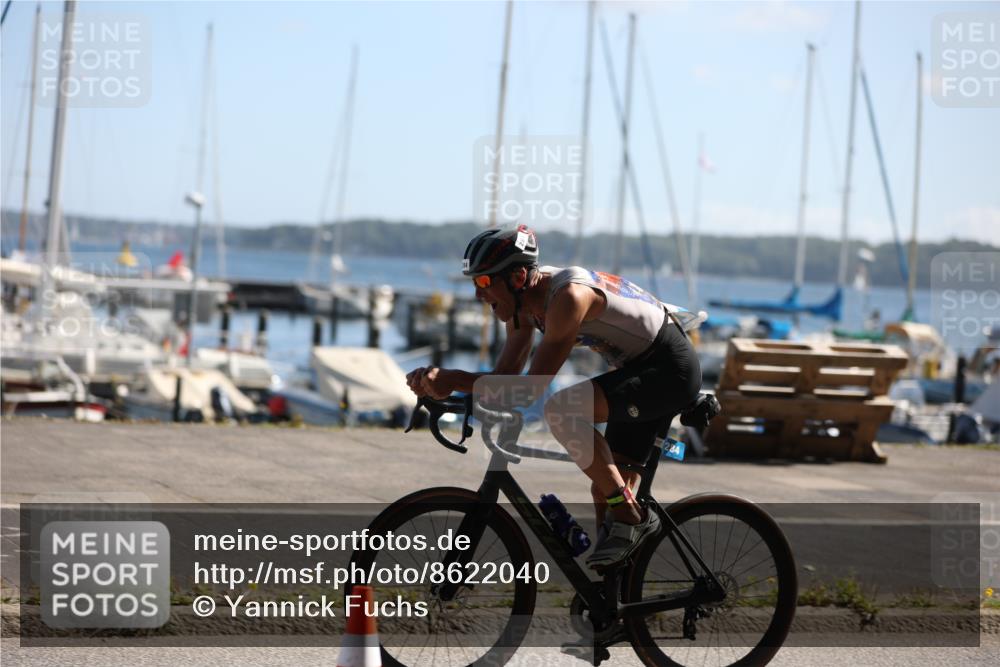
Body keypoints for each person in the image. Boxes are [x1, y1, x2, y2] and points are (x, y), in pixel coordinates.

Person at [405, 225, 702, 569]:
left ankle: (635, 518)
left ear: (518, 276)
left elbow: (531, 388)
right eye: (474, 283)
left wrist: (454, 379)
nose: (477, 294)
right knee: (605, 490)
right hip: (637, 370)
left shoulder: (568, 298)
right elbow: (505, 380)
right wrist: (445, 388)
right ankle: (616, 607)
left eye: (484, 283)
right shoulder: (521, 307)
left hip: (670, 370)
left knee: (563, 410)